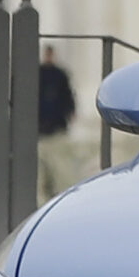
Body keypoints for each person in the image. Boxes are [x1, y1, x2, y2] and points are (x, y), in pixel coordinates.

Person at [36, 45, 84, 201]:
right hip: (42, 128)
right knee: (43, 167)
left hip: (55, 127)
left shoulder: (59, 75)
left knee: (58, 166)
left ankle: (56, 193)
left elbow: (68, 96)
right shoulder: (41, 73)